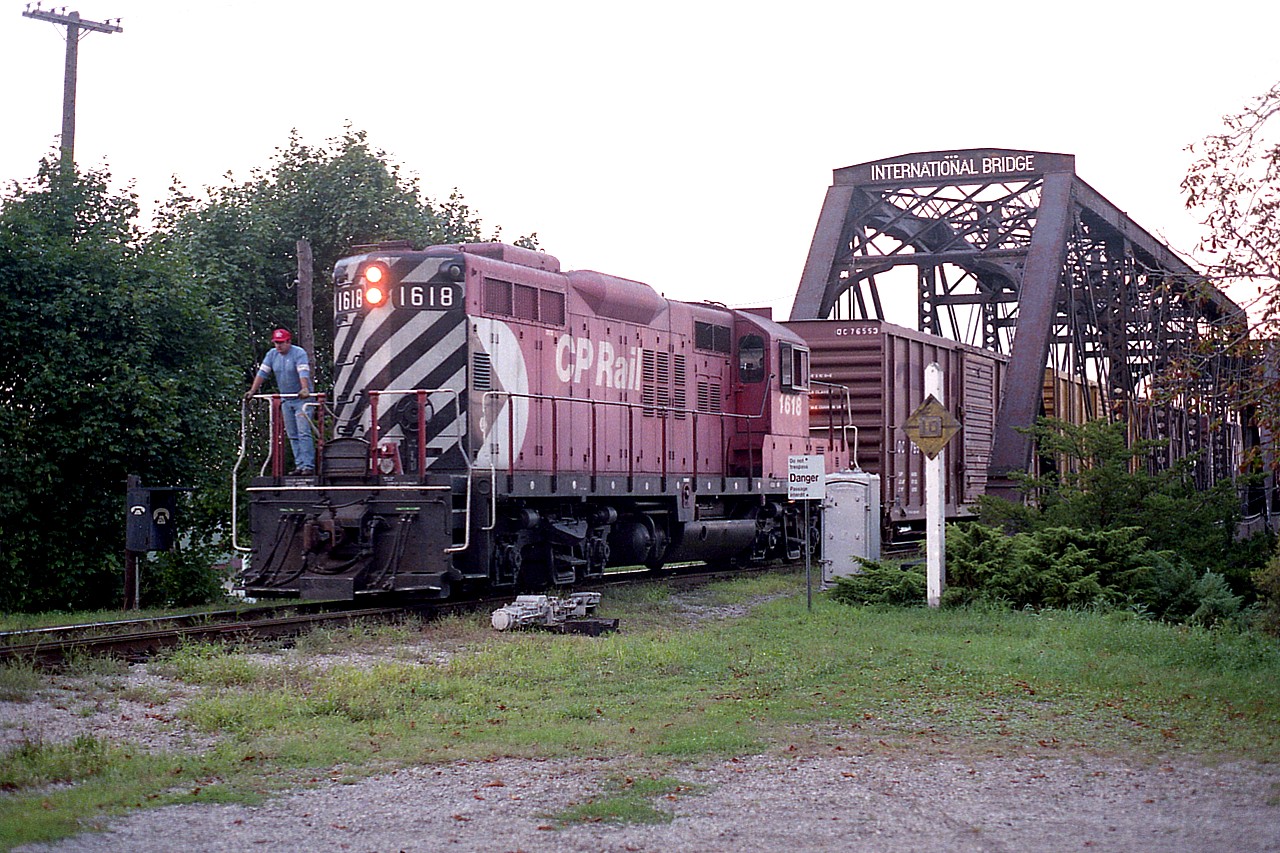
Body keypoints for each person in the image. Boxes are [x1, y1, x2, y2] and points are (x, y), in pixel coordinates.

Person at [244, 328, 315, 475]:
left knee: (303, 432)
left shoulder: (298, 353)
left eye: (281, 343)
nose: (278, 346)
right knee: (292, 434)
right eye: (276, 343)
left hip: (302, 399)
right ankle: (299, 465)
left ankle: (308, 466)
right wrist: (252, 391)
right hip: (286, 400)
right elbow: (262, 372)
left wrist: (305, 389)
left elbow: (303, 371)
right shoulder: (272, 354)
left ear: (289, 342)